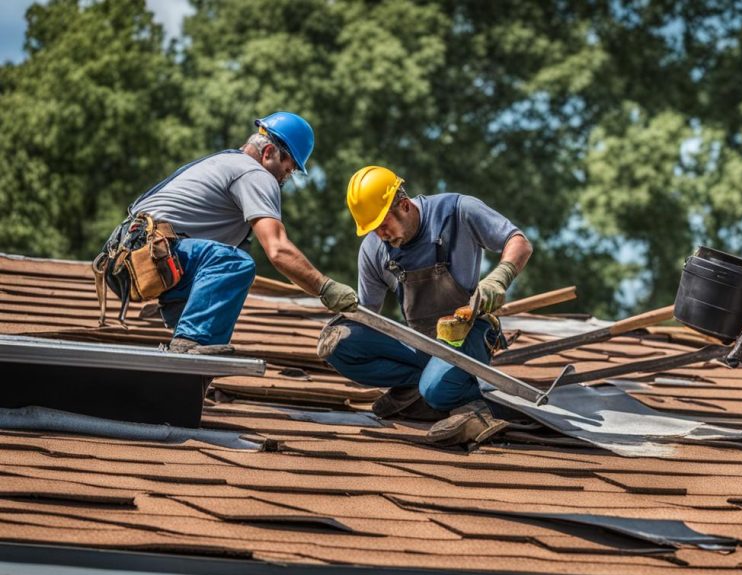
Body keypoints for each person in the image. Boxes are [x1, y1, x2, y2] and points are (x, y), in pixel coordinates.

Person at [105, 112, 356, 353]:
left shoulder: (224, 162)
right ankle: (192, 342)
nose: (284, 179)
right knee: (234, 264)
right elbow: (277, 250)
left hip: (127, 259)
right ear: (269, 152)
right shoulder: (255, 173)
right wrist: (325, 287)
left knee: (219, 271)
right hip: (152, 255)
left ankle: (189, 341)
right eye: (288, 169)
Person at [318, 165, 532, 439]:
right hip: (421, 342)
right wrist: (344, 308)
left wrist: (499, 279)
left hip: (467, 336)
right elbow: (369, 319)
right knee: (340, 342)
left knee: (436, 390)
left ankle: (475, 405)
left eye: (383, 225)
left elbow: (519, 242)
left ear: (404, 206)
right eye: (373, 229)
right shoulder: (373, 250)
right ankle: (429, 390)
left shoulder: (457, 212)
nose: (381, 235)